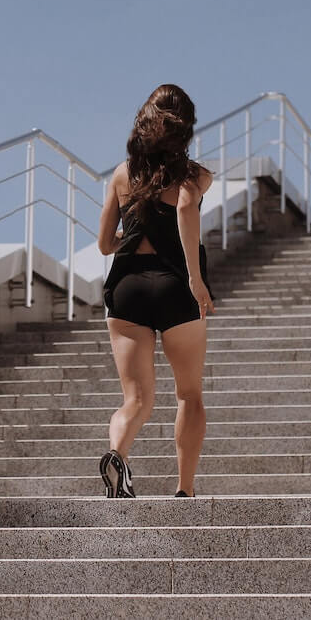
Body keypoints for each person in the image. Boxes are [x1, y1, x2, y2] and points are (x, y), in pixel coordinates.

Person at [96, 84, 214, 499]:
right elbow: (184, 207)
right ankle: (184, 489)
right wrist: (195, 279)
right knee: (189, 394)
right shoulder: (196, 175)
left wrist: (135, 228)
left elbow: (105, 244)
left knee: (137, 399)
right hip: (174, 288)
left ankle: (117, 454)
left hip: (127, 289)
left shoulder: (122, 174)